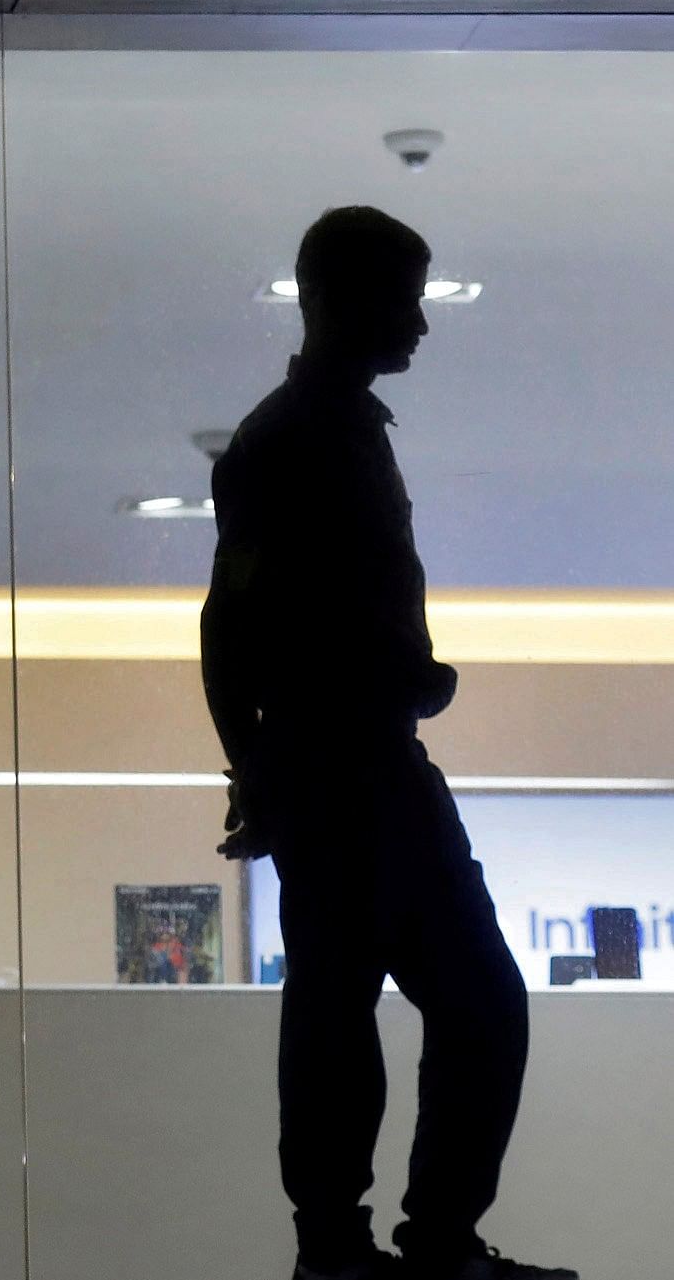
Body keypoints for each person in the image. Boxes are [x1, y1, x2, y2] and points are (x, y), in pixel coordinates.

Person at [203, 208, 569, 1280]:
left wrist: (254, 759)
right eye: (401, 295)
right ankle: (373, 1243)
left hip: (350, 761)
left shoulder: (324, 430)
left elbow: (237, 621)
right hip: (343, 765)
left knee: (381, 1000)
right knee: (398, 1004)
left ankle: (368, 1244)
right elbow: (228, 621)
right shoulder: (291, 438)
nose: (416, 319)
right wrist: (255, 760)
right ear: (333, 296)